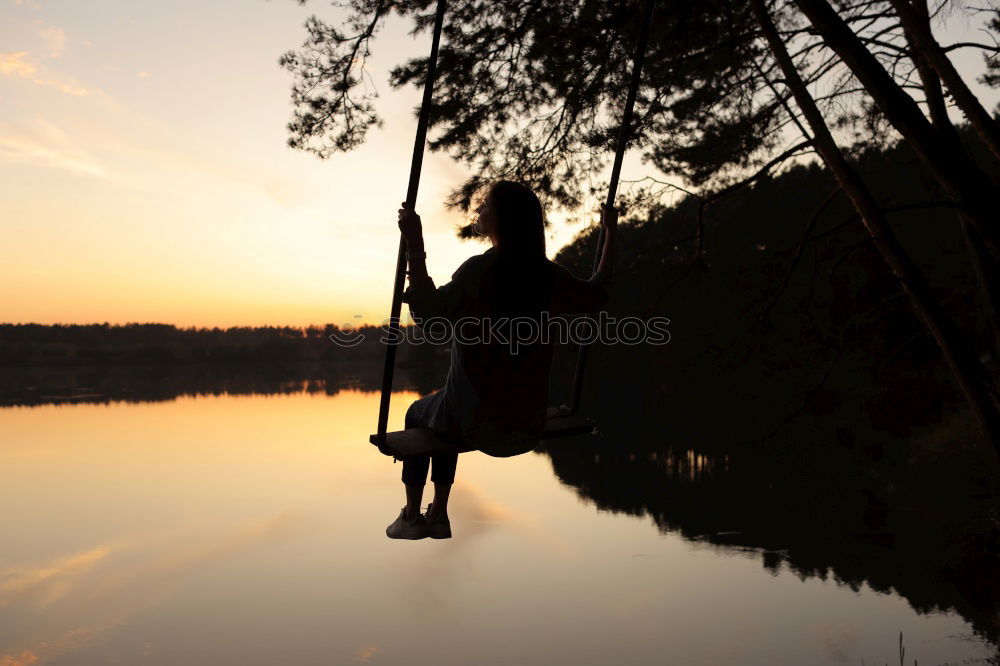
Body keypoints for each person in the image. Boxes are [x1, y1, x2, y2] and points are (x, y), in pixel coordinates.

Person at [385, 180, 618, 539]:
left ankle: (414, 516)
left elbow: (429, 318)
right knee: (448, 406)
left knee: (420, 413)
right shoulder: (547, 274)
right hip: (526, 428)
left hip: (479, 427)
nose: (478, 210)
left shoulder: (480, 271)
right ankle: (439, 513)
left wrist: (414, 244)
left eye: (485, 206)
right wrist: (609, 234)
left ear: (502, 219)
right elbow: (598, 292)